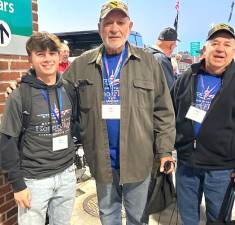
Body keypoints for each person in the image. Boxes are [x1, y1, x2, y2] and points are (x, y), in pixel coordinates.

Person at [63, 1, 176, 225]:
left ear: (129, 26)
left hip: (139, 159)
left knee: (137, 217)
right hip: (101, 159)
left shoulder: (148, 63)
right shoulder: (82, 65)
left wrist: (164, 150)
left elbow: (164, 111)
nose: (114, 28)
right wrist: (27, 84)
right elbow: (58, 95)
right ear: (100, 27)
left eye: (120, 22)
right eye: (108, 22)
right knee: (108, 214)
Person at [0, 32, 77, 225]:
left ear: (59, 56)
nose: (47, 58)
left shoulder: (67, 88)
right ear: (30, 58)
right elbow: (7, 141)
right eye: (40, 54)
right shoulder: (19, 95)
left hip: (67, 174)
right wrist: (18, 185)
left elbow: (74, 124)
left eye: (52, 53)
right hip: (34, 181)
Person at [171, 23, 235, 225]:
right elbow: (170, 113)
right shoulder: (187, 77)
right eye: (215, 43)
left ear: (234, 51)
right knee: (188, 219)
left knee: (218, 220)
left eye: (227, 44)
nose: (220, 49)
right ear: (205, 49)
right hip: (186, 164)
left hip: (221, 169)